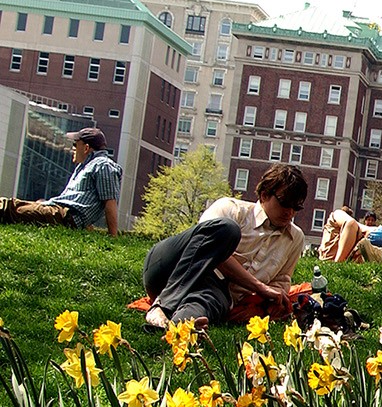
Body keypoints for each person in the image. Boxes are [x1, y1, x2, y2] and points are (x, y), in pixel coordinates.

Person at [141, 164, 307, 330]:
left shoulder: (295, 238)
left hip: (218, 291)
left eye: (297, 207)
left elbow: (280, 283)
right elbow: (204, 248)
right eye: (285, 203)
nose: (290, 212)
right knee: (226, 229)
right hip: (173, 265)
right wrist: (259, 287)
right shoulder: (231, 209)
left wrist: (261, 308)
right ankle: (163, 306)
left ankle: (178, 326)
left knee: (207, 303)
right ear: (264, 195)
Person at [0, 127, 122, 236]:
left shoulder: (103, 165)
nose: (72, 148)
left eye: (75, 144)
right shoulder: (87, 166)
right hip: (60, 212)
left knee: (10, 208)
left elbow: (110, 202)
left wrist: (113, 236)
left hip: (64, 216)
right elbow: (86, 205)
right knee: (15, 206)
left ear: (86, 148)